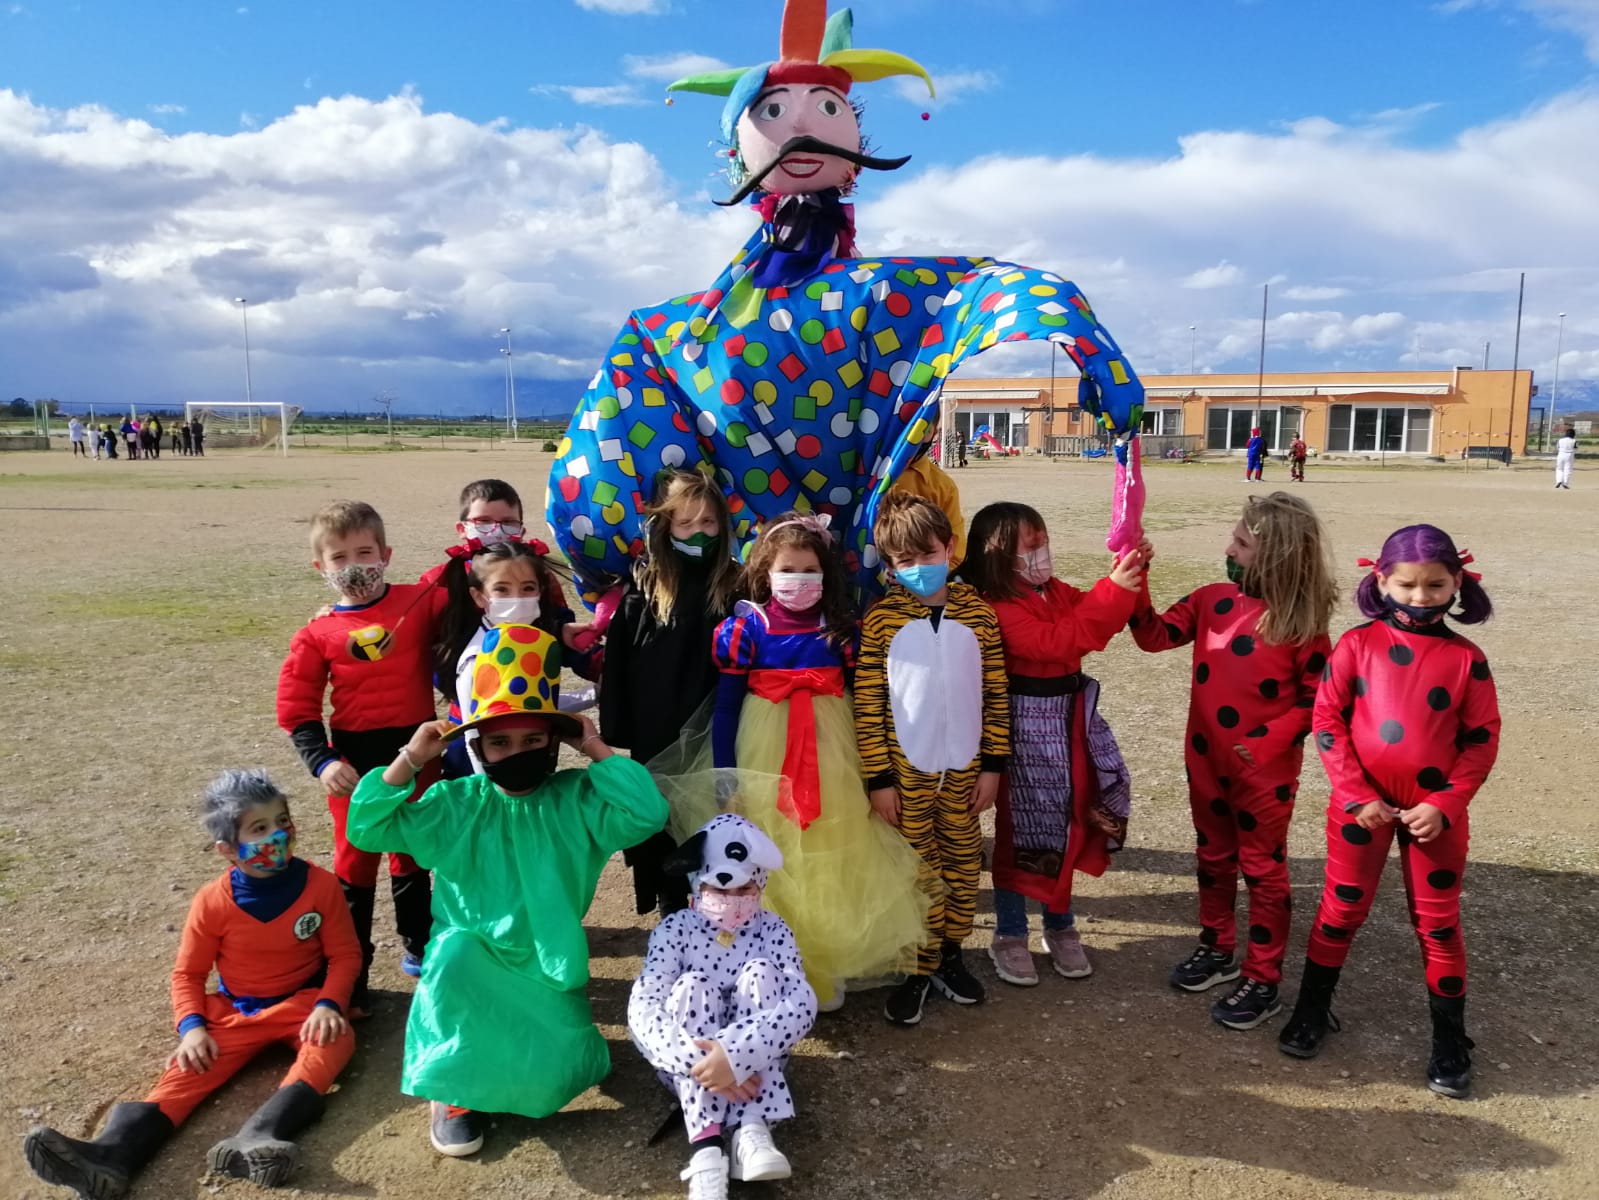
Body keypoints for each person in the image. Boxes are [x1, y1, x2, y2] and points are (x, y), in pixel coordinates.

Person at [346, 626, 669, 1158]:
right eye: (499, 742)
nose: (516, 751)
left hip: (547, 963)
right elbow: (367, 827)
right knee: (453, 956)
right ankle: (453, 1091)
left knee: (557, 1081)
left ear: (552, 743)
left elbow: (647, 812)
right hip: (469, 960)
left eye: (532, 741)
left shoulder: (577, 799)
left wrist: (592, 745)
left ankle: (526, 1057)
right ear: (477, 746)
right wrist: (410, 757)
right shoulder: (455, 803)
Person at [22, 770, 360, 1197]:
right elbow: (188, 974)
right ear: (227, 850)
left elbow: (344, 954)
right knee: (190, 1066)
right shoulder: (211, 903)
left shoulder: (321, 885)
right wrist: (192, 1028)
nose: (278, 834)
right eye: (259, 829)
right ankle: (111, 1156)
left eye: (283, 820)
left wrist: (329, 1003)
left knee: (334, 1042)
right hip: (235, 1011)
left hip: (303, 1004)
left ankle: (261, 1135)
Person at [653, 511, 930, 1013]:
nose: (798, 581)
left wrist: (873, 770)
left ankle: (824, 961)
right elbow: (727, 707)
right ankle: (768, 963)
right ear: (766, 572)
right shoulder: (746, 628)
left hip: (832, 752)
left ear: (825, 573)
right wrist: (726, 777)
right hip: (764, 751)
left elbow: (865, 702)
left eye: (809, 571)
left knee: (834, 845)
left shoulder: (843, 630)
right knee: (770, 846)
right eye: (787, 570)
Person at [1279, 525, 1499, 1098]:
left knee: (1438, 923)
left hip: (1436, 817)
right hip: (1361, 810)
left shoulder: (1467, 659)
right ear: (1381, 581)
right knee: (1340, 910)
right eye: (1407, 585)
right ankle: (1311, 1009)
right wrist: (1355, 794)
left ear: (1457, 583)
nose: (1421, 597)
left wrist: (1446, 802)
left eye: (1435, 585)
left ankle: (1449, 1039)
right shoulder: (1355, 646)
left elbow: (1481, 739)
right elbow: (1327, 721)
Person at [1129, 492, 1336, 1030]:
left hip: (1263, 775)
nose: (1228, 549)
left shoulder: (1303, 626)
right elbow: (1154, 637)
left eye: (1241, 543)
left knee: (1263, 870)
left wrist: (1269, 741)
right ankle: (1217, 946)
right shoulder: (1211, 600)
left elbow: (1319, 700)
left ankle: (1263, 977)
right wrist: (1137, 577)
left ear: (1277, 556)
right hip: (1204, 760)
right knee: (1212, 856)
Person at [963, 502, 1147, 986]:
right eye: (1032, 544)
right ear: (999, 553)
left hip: (1070, 722)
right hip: (1022, 730)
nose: (1042, 550)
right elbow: (1059, 641)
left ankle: (1060, 923)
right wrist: (1114, 590)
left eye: (1044, 541)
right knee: (1021, 830)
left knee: (1069, 821)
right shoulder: (995, 606)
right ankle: (1009, 932)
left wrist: (1129, 572)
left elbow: (1096, 615)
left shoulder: (1052, 590)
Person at [275, 500, 443, 1006]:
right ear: (320, 567)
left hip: (417, 750)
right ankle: (351, 972)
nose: (354, 566)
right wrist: (322, 761)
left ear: (386, 554)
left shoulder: (421, 600)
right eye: (339, 557)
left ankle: (421, 946)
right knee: (356, 859)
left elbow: (473, 575)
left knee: (412, 852)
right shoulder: (316, 634)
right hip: (352, 761)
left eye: (365, 553)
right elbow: (297, 708)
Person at [857, 493, 1010, 1026]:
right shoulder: (881, 621)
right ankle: (917, 967)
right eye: (905, 560)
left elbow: (995, 694)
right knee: (916, 874)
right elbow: (869, 705)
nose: (919, 567)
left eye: (928, 554)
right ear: (889, 564)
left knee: (964, 869)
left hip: (966, 775)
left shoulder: (980, 616)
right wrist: (879, 779)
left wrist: (993, 766)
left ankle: (950, 954)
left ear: (950, 548)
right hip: (906, 779)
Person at [629, 814, 818, 1199]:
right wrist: (705, 1063)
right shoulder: (675, 929)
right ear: (698, 882)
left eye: (744, 888)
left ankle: (752, 1128)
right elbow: (643, 1006)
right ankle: (707, 1150)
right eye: (718, 887)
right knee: (692, 985)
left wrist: (736, 1056)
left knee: (762, 972)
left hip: (757, 1062)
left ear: (760, 883)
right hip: (689, 1068)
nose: (731, 899)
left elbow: (801, 1000)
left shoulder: (773, 929)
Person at [601, 470, 740, 915]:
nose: (699, 533)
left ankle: (721, 907)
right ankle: (671, 905)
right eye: (686, 524)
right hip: (658, 729)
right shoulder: (645, 590)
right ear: (665, 527)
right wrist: (618, 727)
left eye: (708, 522)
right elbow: (619, 665)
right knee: (661, 822)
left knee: (715, 819)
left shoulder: (738, 586)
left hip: (719, 729)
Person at [434, 540, 583, 776]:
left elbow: (531, 705)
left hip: (529, 767)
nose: (517, 598)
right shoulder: (478, 656)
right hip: (481, 775)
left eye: (528, 588)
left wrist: (592, 695)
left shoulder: (536, 642)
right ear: (479, 596)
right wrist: (487, 788)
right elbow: (473, 735)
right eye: (502, 590)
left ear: (540, 591)